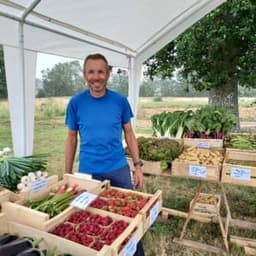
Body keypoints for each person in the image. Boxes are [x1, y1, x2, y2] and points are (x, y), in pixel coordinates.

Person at [65, 53, 144, 255]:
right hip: (88, 172)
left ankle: (134, 252)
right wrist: (67, 175)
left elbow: (129, 133)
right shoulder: (76, 103)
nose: (96, 77)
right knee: (90, 221)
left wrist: (137, 166)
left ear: (108, 74)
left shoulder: (119, 101)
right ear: (84, 74)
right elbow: (71, 138)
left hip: (118, 169)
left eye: (101, 71)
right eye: (91, 72)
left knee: (131, 218)